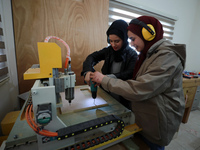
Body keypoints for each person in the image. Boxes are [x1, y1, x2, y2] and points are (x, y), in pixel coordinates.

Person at [90, 16, 186, 150]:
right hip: (145, 117)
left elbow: (140, 88)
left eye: (133, 39)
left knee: (152, 146)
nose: (132, 44)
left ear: (148, 35)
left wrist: (104, 79)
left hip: (158, 121)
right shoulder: (149, 54)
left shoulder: (167, 56)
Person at [81, 19, 138, 108]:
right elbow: (91, 57)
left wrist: (104, 78)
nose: (113, 44)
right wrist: (88, 71)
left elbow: (129, 73)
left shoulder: (133, 55)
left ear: (124, 39)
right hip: (106, 95)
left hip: (123, 99)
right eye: (110, 41)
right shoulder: (108, 51)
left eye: (117, 41)